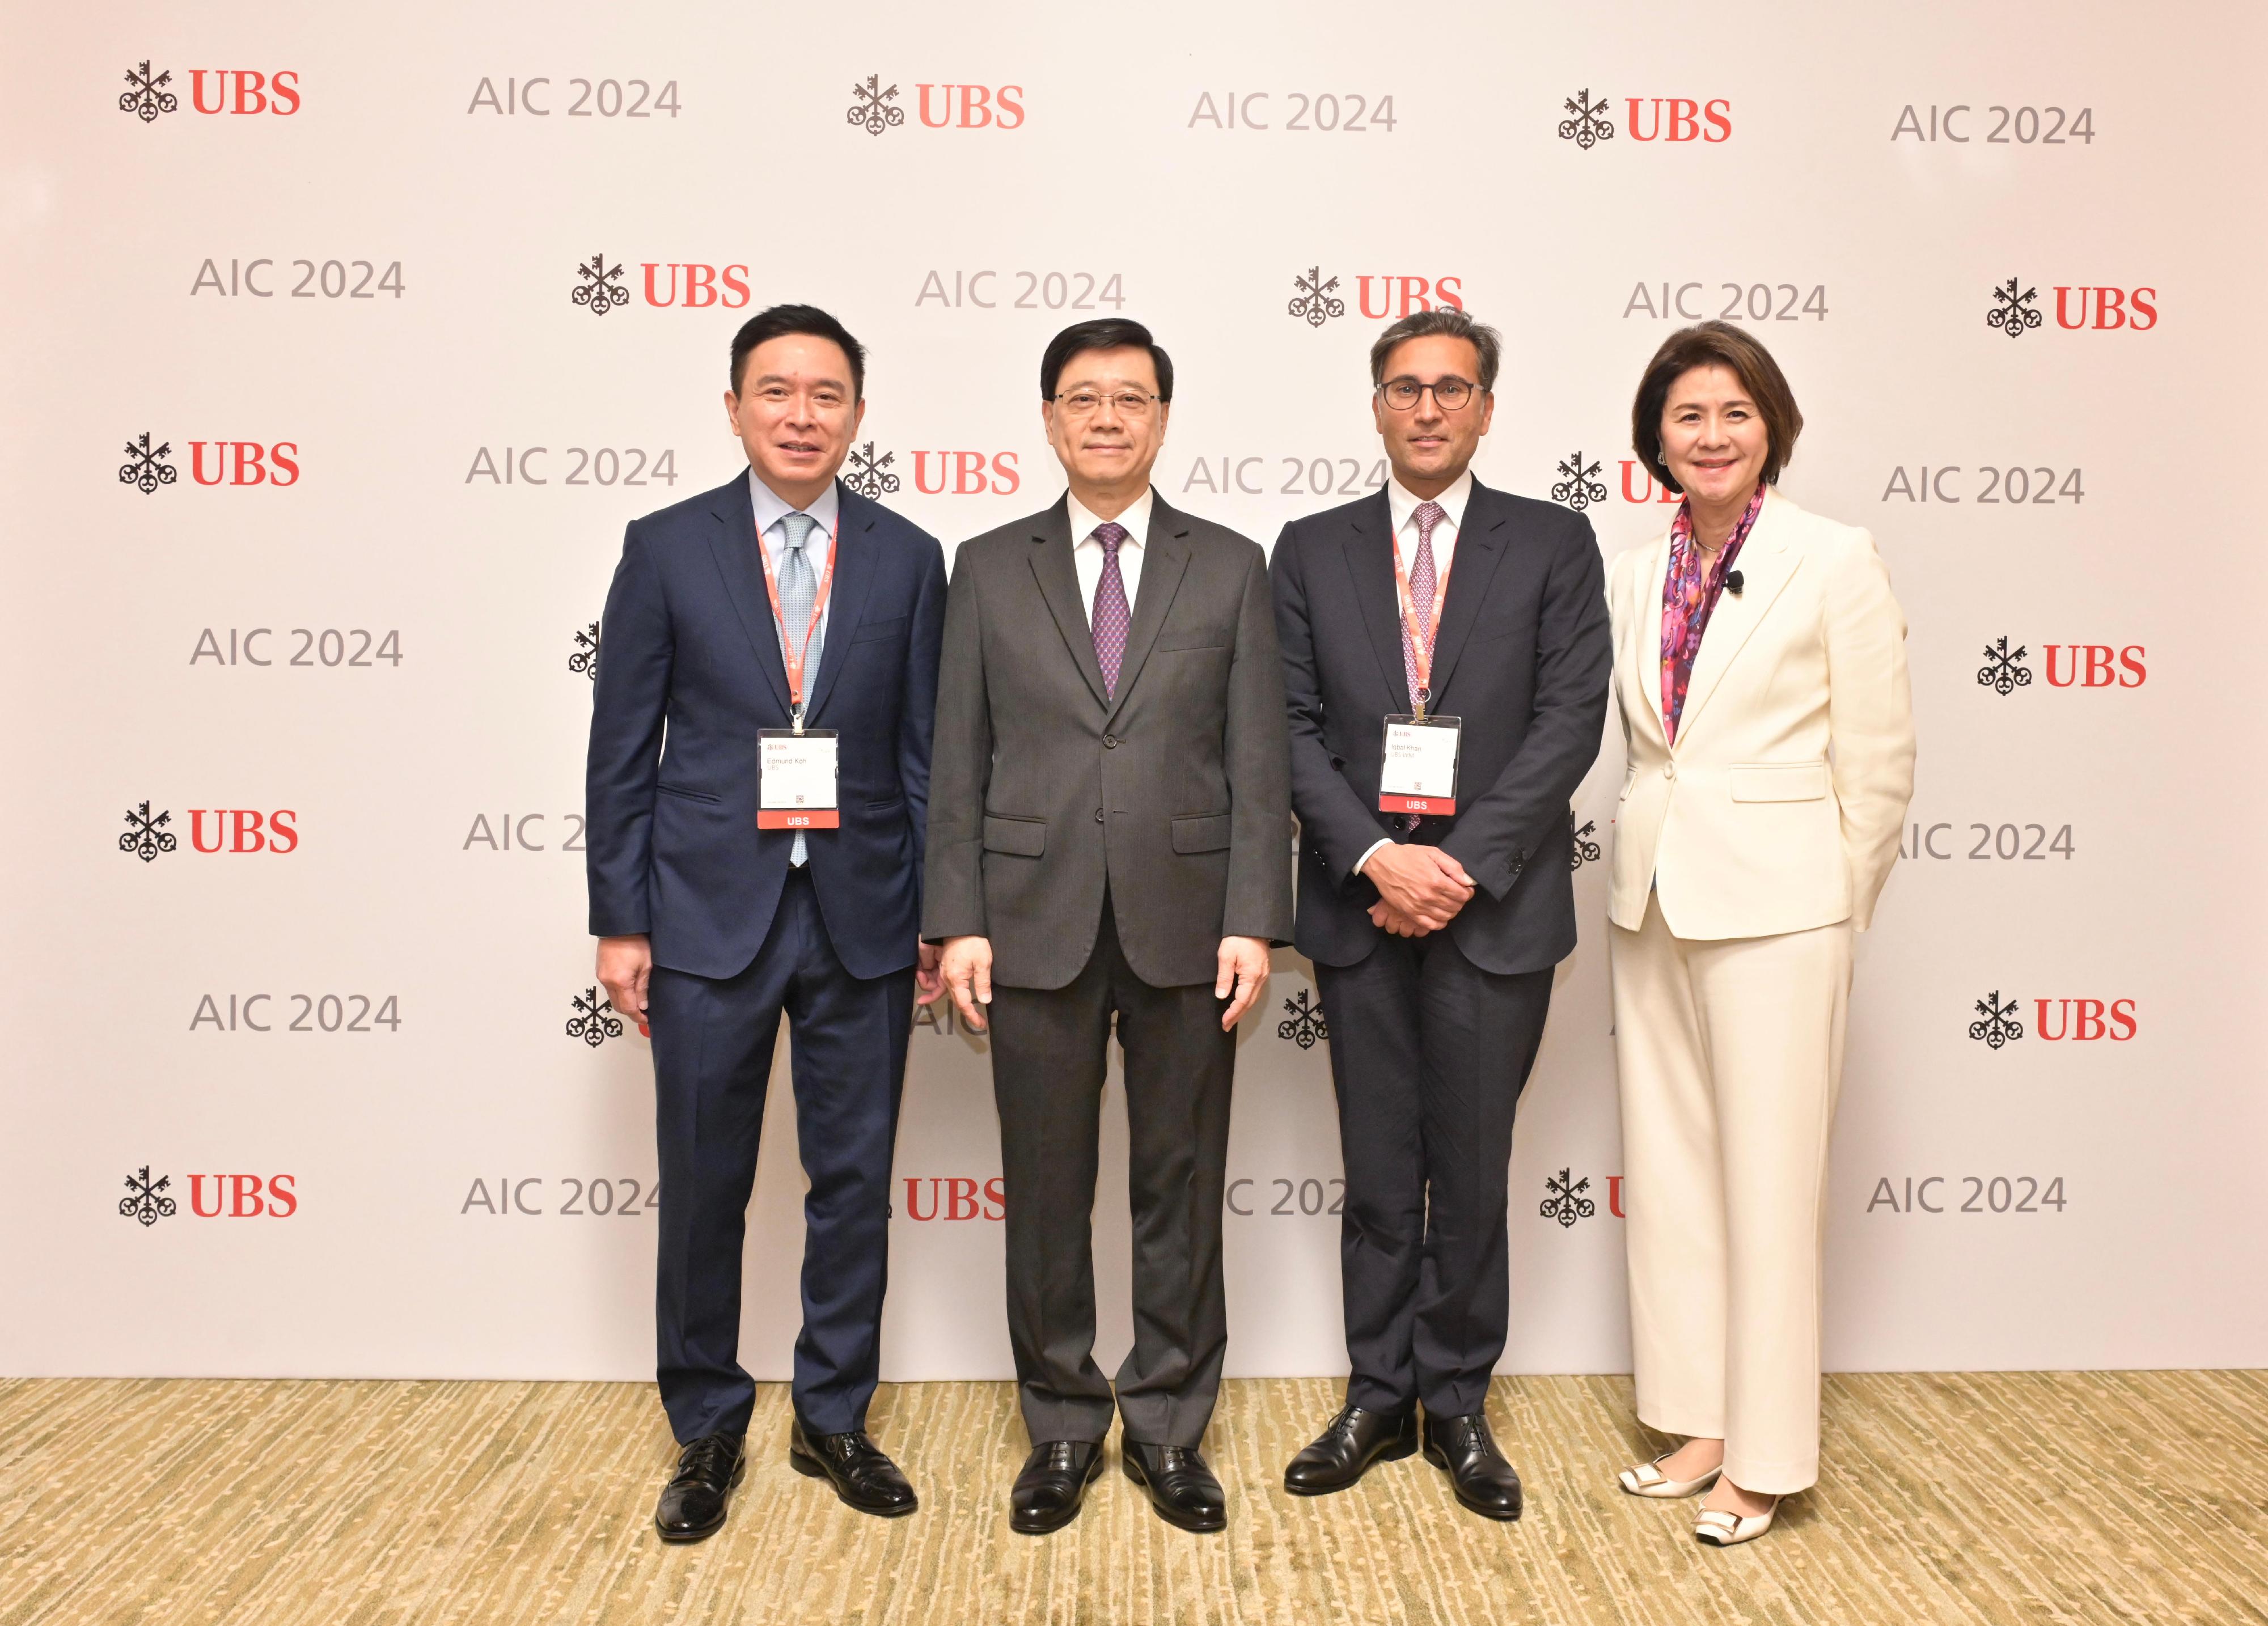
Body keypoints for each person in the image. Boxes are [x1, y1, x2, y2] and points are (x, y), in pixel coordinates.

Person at [585, 304, 948, 1542]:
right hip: (701, 916)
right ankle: (705, 1427)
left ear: (859, 412)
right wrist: (619, 919)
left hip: (862, 918)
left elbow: (919, 757)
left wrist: (935, 919)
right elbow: (621, 749)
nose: (802, 415)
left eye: (827, 394)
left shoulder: (907, 557)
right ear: (733, 406)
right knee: (704, 1183)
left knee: (852, 1182)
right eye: (777, 392)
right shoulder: (667, 548)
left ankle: (833, 1415)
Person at [924, 318, 1293, 1536]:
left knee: (1178, 1187)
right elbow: (957, 760)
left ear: (1162, 420)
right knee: (1043, 1188)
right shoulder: (983, 566)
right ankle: (1062, 1425)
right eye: (1081, 399)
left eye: (1129, 399)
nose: (1105, 419)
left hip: (1191, 928)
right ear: (1045, 420)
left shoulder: (1231, 565)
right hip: (1027, 927)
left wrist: (1254, 917)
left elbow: (1257, 760)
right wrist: (958, 919)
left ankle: (1172, 1427)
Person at [1269, 309, 1612, 1521]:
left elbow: (1571, 718)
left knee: (1469, 1170)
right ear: (1374, 405)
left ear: (1485, 407)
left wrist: (1453, 865)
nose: (1427, 409)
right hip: (1361, 910)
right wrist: (1374, 857)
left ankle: (1456, 1402)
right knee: (1375, 1170)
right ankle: (1374, 1394)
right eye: (1405, 388)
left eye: (1450, 389)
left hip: (1492, 910)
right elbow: (1288, 729)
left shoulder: (1554, 543)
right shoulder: (1309, 549)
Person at [1605, 321, 1914, 1547]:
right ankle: (1698, 1423)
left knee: (1771, 1190)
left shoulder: (1831, 559)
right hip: (1653, 899)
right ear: (1655, 442)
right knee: (1677, 1178)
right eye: (1686, 417)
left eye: (1732, 413)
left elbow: (1878, 766)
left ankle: (1769, 1458)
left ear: (1769, 426)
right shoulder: (1634, 572)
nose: (1711, 435)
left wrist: (1830, 905)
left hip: (1783, 910)